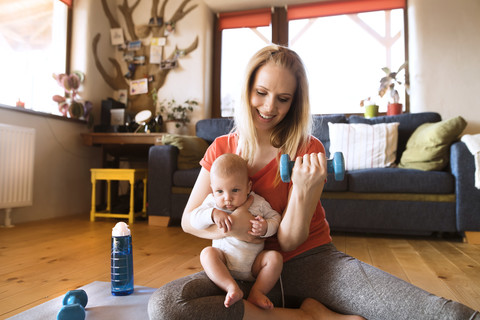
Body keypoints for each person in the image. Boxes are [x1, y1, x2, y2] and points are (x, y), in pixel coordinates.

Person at [148, 44, 479, 320]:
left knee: (434, 313)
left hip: (310, 261)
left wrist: (305, 189)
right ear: (248, 89)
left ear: (295, 102)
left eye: (283, 98)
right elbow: (191, 221)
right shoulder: (221, 148)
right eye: (261, 93)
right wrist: (234, 230)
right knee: (167, 306)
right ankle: (305, 317)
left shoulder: (308, 149)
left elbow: (290, 242)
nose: (268, 107)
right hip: (239, 269)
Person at [190, 153, 282, 310]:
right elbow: (194, 220)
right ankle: (231, 287)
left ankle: (257, 291)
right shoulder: (212, 203)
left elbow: (276, 218)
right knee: (207, 253)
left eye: (235, 190)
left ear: (248, 187)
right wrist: (212, 214)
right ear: (212, 189)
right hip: (223, 261)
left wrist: (266, 227)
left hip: (254, 265)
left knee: (275, 258)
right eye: (220, 191)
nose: (227, 198)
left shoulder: (257, 203)